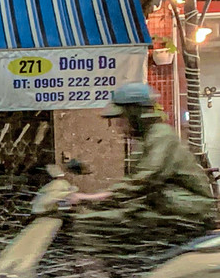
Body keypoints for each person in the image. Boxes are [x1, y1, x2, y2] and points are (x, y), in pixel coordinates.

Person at [68, 83, 216, 253]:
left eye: (121, 119)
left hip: (186, 213)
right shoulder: (149, 138)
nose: (119, 126)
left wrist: (91, 198)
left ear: (135, 115)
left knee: (95, 224)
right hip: (169, 207)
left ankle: (129, 275)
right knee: (102, 217)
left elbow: (143, 181)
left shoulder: (161, 135)